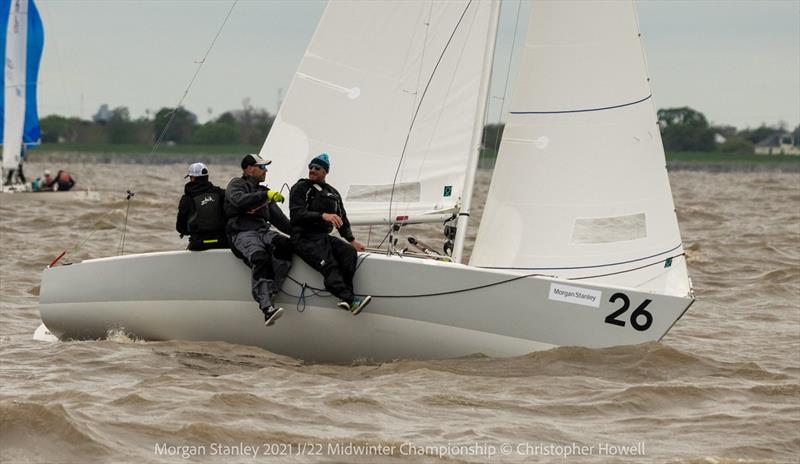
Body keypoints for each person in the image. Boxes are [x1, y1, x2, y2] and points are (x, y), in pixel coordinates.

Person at [289, 153, 372, 315]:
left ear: (325, 172)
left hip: (323, 237)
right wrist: (323, 215)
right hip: (304, 237)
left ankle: (345, 296)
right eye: (310, 167)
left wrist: (352, 240)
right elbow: (297, 213)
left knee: (348, 253)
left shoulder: (332, 192)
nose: (312, 170)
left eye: (317, 168)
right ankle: (351, 300)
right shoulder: (301, 187)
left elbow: (342, 218)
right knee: (330, 265)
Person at [225, 154, 292, 327]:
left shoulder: (264, 192)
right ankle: (266, 308)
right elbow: (239, 201)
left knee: (285, 245)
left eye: (265, 167)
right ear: (249, 169)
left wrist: (306, 233)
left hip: (263, 231)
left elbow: (282, 222)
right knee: (260, 258)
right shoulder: (236, 184)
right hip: (241, 233)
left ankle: (271, 291)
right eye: (262, 167)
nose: (265, 170)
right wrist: (265, 196)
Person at [176, 162, 228, 251]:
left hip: (198, 244)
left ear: (192, 178)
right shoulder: (221, 193)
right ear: (207, 177)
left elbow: (181, 227)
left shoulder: (187, 198)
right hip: (222, 242)